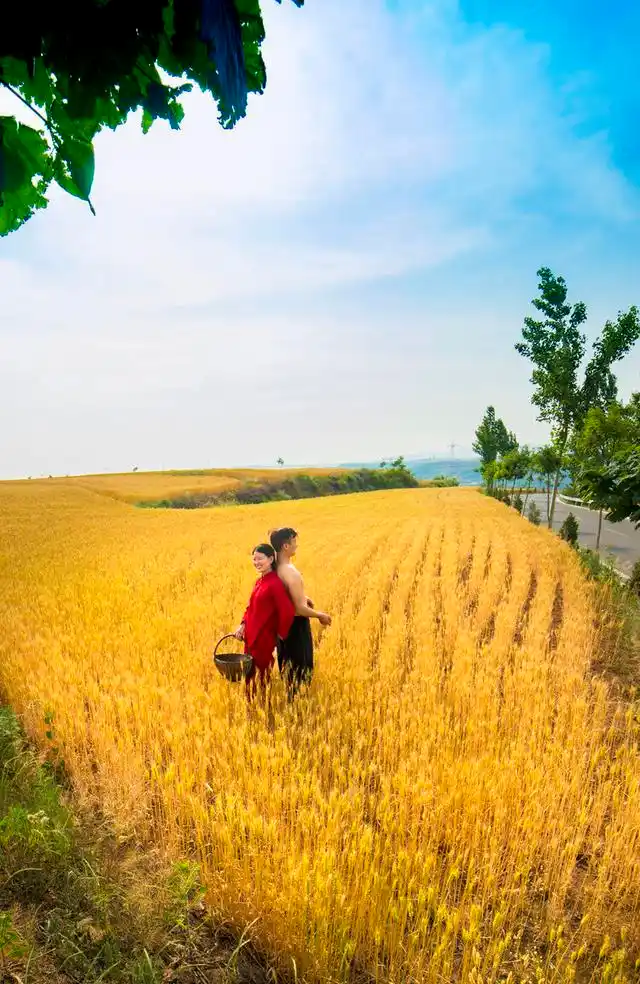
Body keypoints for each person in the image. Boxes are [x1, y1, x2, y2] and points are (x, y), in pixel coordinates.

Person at [269, 527, 332, 698]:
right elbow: (298, 609)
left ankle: (292, 701)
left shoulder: (276, 568)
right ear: (285, 546)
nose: (297, 545)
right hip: (296, 627)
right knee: (301, 669)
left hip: (282, 626)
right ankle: (296, 705)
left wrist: (304, 597)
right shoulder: (290, 572)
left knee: (288, 667)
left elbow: (285, 595)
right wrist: (320, 615)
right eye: (294, 541)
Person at [234, 543, 295, 701]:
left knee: (261, 678)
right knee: (248, 676)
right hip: (250, 636)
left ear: (271, 558)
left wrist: (281, 635)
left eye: (260, 558)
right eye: (254, 559)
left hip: (264, 639)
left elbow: (287, 610)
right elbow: (250, 607)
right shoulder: (259, 581)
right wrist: (242, 625)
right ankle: (250, 709)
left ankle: (263, 708)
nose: (256, 562)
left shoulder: (274, 583)